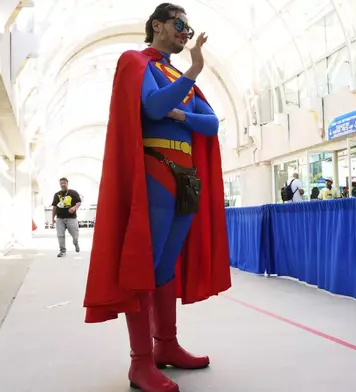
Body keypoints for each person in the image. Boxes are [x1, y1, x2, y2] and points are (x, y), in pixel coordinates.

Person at [83, 4, 231, 392]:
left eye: (188, 25)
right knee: (145, 266)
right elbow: (152, 106)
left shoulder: (173, 76)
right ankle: (140, 363)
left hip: (185, 178)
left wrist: (180, 114)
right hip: (155, 173)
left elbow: (211, 124)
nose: (185, 32)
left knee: (166, 266)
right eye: (179, 24)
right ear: (157, 26)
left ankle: (165, 344)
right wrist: (192, 76)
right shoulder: (137, 62)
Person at [51, 177, 81, 257]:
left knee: (75, 235)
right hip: (60, 218)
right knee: (60, 235)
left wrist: (74, 208)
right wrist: (52, 219)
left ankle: (76, 243)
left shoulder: (73, 193)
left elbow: (78, 203)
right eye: (61, 183)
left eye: (64, 183)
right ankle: (62, 251)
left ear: (67, 183)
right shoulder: (57, 195)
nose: (62, 185)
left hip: (71, 218)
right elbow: (54, 207)